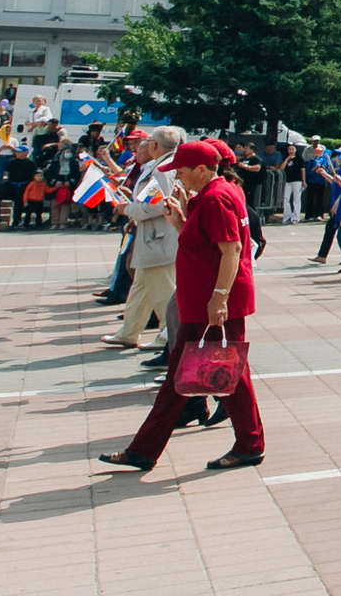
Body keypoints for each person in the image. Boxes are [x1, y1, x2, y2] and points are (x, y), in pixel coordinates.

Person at [99, 139, 264, 472]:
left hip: (211, 303)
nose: (178, 177)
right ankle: (147, 449)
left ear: (201, 169)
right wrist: (180, 220)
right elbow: (204, 243)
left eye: (182, 171)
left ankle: (247, 444)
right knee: (202, 375)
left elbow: (231, 249)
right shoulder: (216, 193)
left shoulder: (216, 197)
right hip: (204, 301)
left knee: (216, 374)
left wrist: (219, 297)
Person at [105, 127, 185, 349]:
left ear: (155, 145)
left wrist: (129, 209)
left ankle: (168, 336)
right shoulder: (163, 165)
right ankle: (129, 332)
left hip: (158, 238)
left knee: (163, 290)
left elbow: (158, 205)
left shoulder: (162, 169)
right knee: (141, 288)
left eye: (149, 141)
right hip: (153, 236)